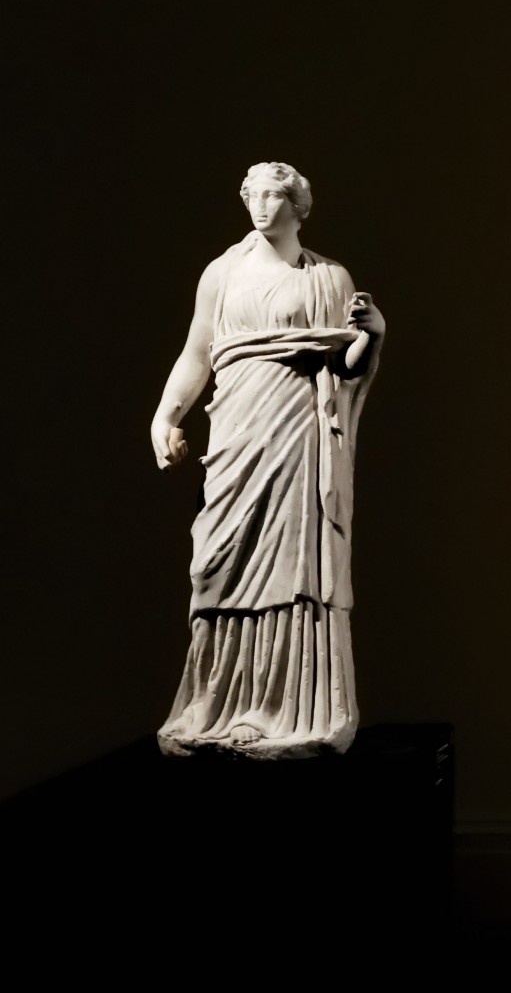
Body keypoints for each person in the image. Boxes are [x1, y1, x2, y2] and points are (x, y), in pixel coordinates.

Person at [149, 161, 384, 758]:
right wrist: (165, 416)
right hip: (237, 429)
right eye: (251, 194)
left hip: (299, 431)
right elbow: (197, 352)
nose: (259, 205)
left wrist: (372, 336)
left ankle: (286, 709)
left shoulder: (329, 278)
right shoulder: (222, 272)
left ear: (298, 206)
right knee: (219, 563)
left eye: (273, 195)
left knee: (293, 564)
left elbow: (344, 366)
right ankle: (216, 704)